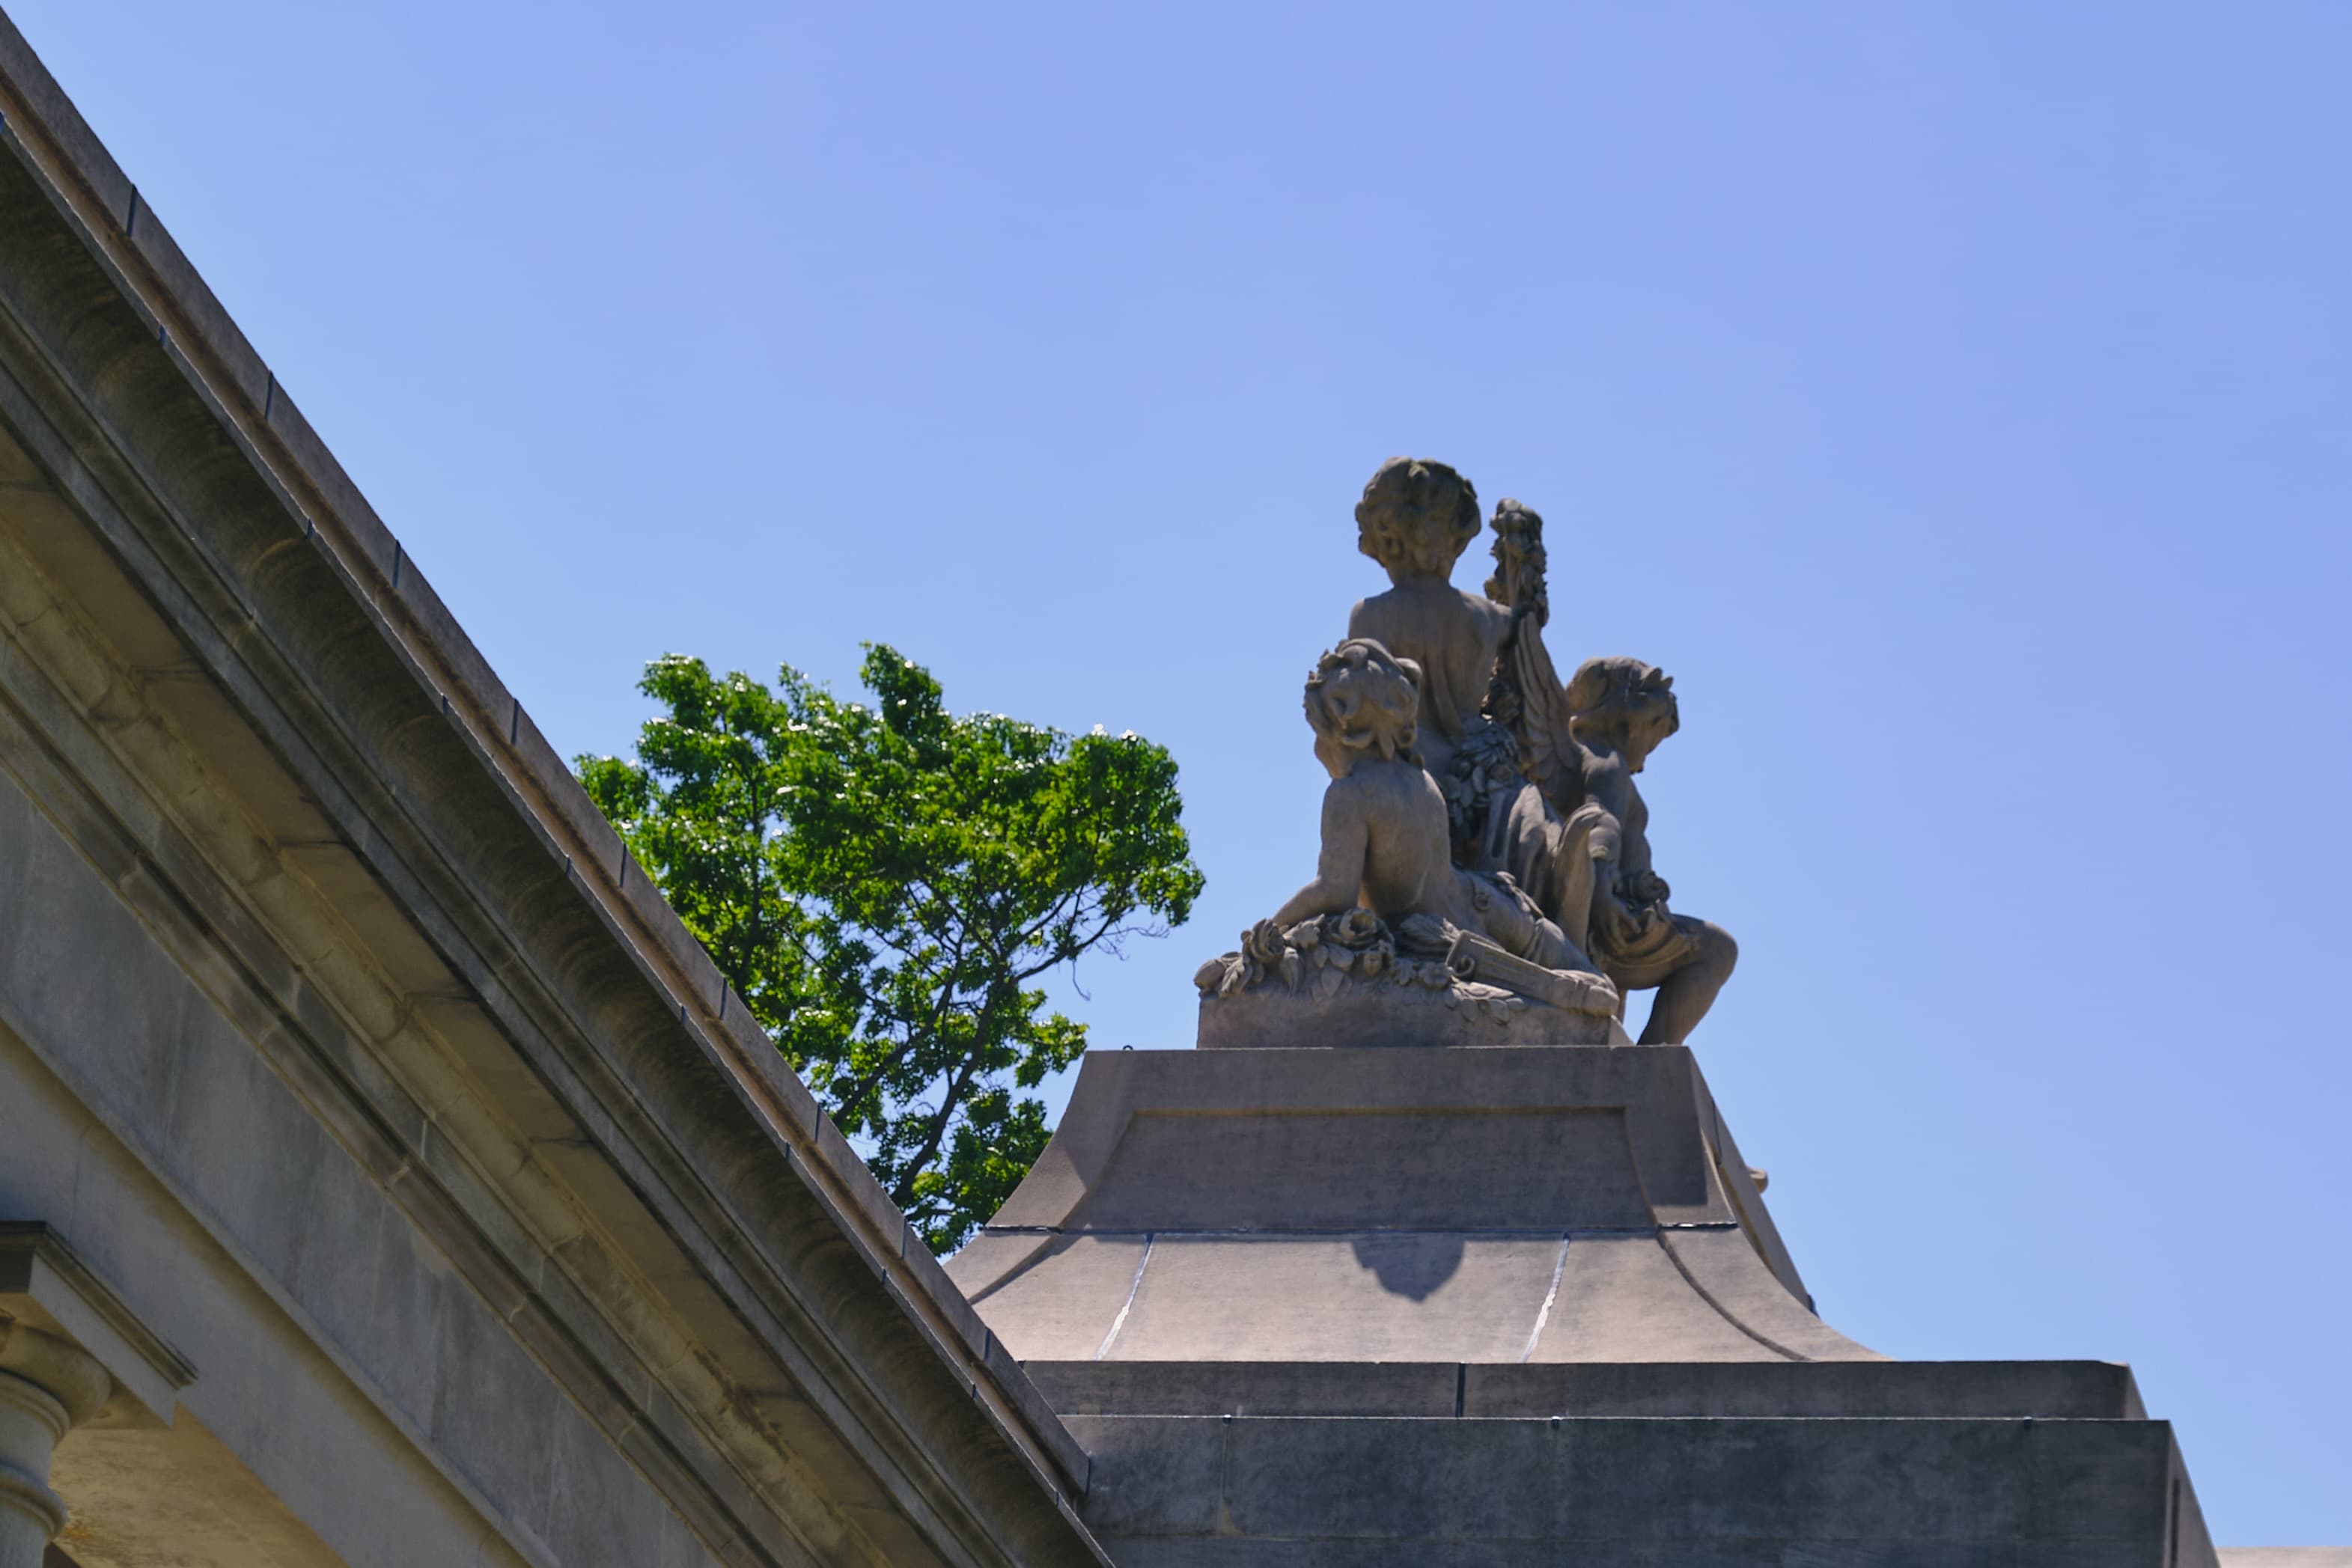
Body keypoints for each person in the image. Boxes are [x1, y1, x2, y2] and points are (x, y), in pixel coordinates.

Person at [1272, 639, 1603, 987]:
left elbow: (1335, 891)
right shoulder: (1421, 778)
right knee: (1584, 976)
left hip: (1443, 938)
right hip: (1483, 900)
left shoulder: (1350, 795)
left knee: (1562, 987)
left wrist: (1271, 928)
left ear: (1342, 733)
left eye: (1316, 731)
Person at [1567, 656, 1737, 1044]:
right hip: (1612, 915)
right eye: (1653, 736)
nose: (1650, 753)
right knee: (1718, 950)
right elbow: (1599, 824)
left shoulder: (1588, 757)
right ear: (1630, 723)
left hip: (1618, 903)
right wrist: (1605, 892)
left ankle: (1638, 1072)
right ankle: (1653, 1060)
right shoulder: (1607, 766)